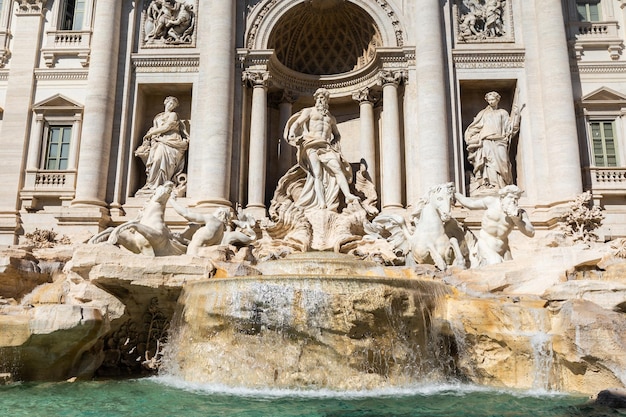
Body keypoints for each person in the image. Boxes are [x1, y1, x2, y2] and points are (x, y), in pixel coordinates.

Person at [285, 88, 358, 211]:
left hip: (325, 146)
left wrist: (335, 142)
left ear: (327, 100)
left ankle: (348, 195)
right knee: (317, 174)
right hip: (311, 144)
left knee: (338, 169)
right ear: (315, 99)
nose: (320, 99)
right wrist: (292, 132)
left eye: (323, 97)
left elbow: (337, 134)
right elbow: (297, 123)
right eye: (318, 97)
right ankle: (321, 202)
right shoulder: (309, 112)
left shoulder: (331, 118)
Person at [455, 185, 534, 266]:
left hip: (504, 249)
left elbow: (531, 233)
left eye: (516, 198)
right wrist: (455, 193)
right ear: (503, 197)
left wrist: (517, 221)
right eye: (510, 197)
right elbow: (470, 204)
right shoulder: (491, 202)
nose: (513, 201)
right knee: (495, 262)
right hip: (485, 244)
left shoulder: (520, 213)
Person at [464, 91, 518, 192]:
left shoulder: (503, 113)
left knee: (503, 163)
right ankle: (491, 184)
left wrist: (516, 116)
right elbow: (475, 126)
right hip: (486, 141)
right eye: (489, 100)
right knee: (489, 163)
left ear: (497, 99)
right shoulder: (483, 113)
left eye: (493, 99)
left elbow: (510, 128)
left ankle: (502, 184)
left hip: (500, 141)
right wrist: (470, 136)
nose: (491, 102)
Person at [135, 96, 189, 193]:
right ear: (165, 103)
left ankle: (162, 185)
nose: (171, 106)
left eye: (173, 104)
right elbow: (155, 127)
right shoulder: (158, 117)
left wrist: (152, 133)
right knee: (156, 160)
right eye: (170, 103)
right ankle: (152, 184)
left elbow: (167, 126)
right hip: (159, 141)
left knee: (160, 160)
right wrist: (150, 135)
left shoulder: (173, 115)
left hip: (171, 141)